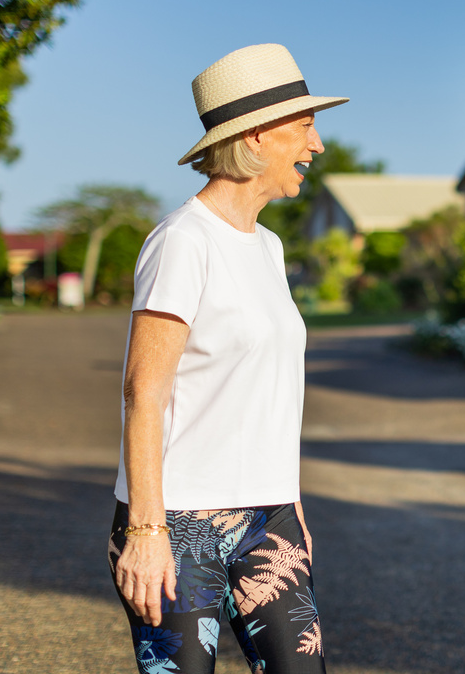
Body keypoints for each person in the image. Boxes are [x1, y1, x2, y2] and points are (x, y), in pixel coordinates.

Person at [107, 43, 347, 674]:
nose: (316, 145)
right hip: (178, 521)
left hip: (268, 519)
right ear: (260, 135)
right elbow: (144, 391)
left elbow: (268, 392)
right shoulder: (183, 241)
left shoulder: (267, 247)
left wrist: (290, 508)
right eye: (305, 127)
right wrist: (145, 532)